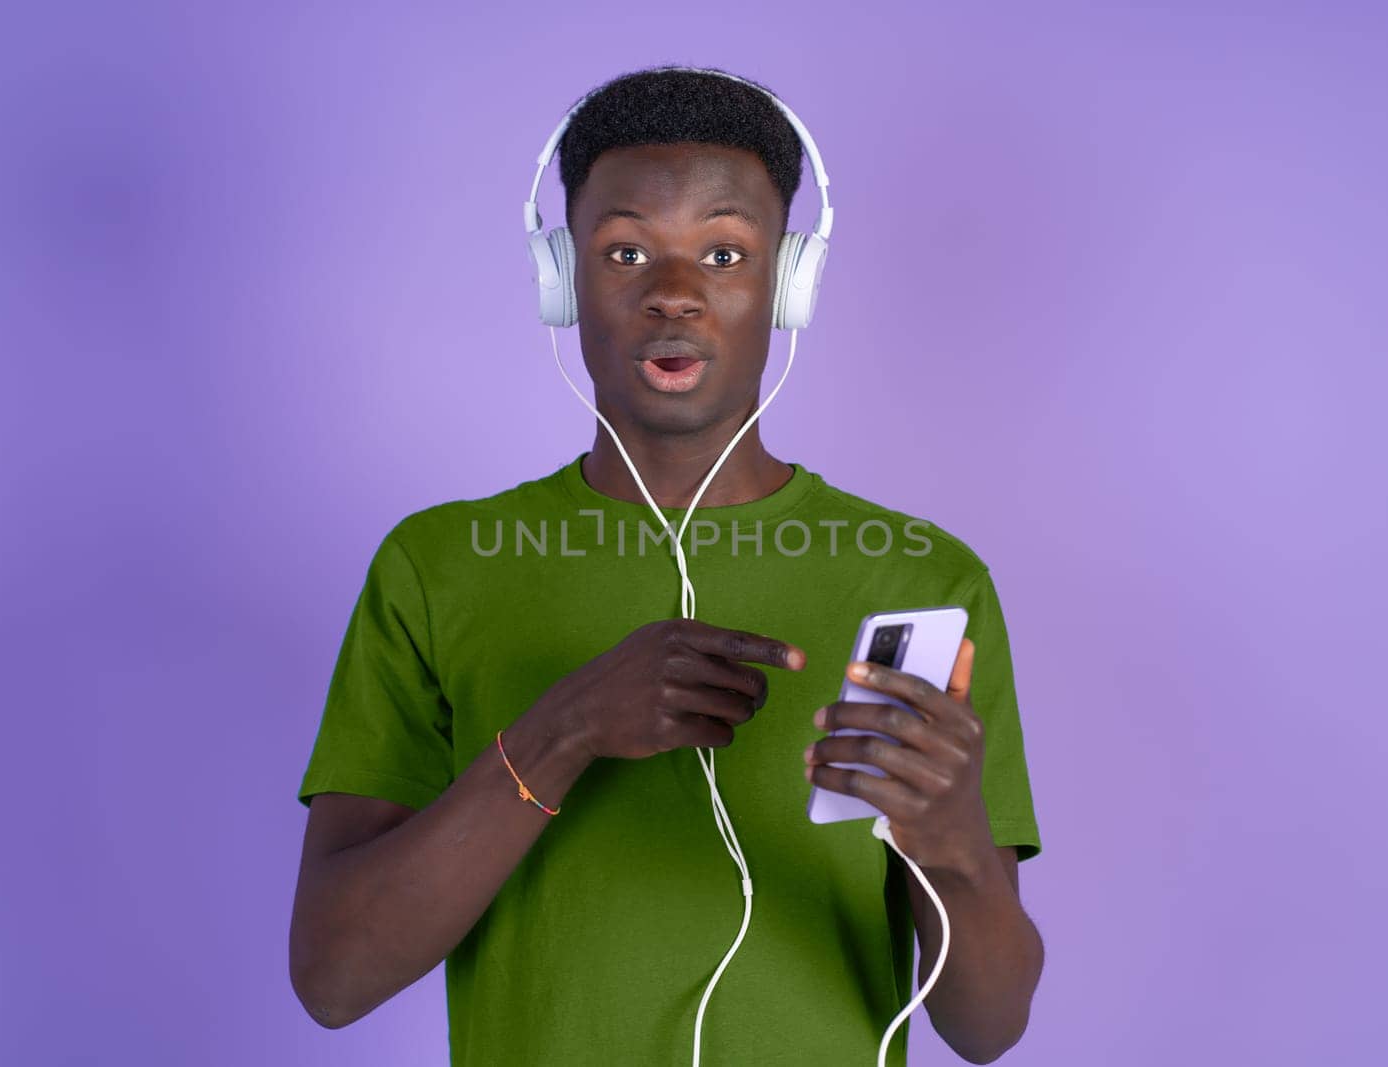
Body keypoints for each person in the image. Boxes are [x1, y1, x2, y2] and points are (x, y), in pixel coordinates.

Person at [289, 66, 1044, 1066]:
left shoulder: (918, 576)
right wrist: (563, 730)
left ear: (787, 281)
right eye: (625, 249)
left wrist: (951, 845)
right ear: (562, 280)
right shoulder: (437, 563)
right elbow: (335, 977)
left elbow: (986, 1029)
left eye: (725, 251)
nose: (675, 293)